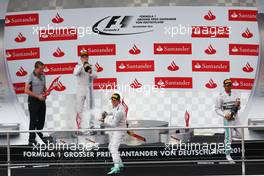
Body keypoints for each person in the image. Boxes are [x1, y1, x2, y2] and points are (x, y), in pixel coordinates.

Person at [215, 79, 241, 163]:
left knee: (241, 135)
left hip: (236, 118)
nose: (229, 86)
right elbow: (217, 109)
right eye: (227, 85)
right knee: (228, 138)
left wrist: (238, 105)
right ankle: (228, 155)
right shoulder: (220, 96)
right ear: (224, 86)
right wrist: (225, 115)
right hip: (227, 119)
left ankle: (228, 138)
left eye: (230, 84)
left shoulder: (236, 94)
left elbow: (239, 107)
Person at [100, 93, 127, 175]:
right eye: (112, 100)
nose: (112, 101)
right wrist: (106, 113)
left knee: (113, 148)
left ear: (118, 101)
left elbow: (113, 125)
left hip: (120, 131)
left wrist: (103, 123)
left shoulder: (120, 111)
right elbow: (113, 112)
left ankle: (116, 166)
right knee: (110, 147)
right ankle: (120, 164)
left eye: (114, 100)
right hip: (117, 130)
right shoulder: (117, 107)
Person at [73, 49, 97, 133]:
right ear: (80, 58)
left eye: (86, 56)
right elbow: (75, 73)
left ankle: (91, 126)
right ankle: (79, 126)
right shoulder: (77, 66)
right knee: (79, 108)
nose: (84, 58)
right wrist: (83, 65)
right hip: (80, 89)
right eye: (83, 56)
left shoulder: (92, 66)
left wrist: (90, 71)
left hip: (89, 88)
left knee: (91, 107)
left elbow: (95, 76)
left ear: (88, 57)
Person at [25, 61, 48, 145]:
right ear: (36, 68)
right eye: (41, 69)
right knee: (33, 120)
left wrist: (46, 92)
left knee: (42, 119)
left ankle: (38, 133)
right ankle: (31, 139)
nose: (43, 70)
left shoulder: (43, 75)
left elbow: (44, 86)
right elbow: (26, 90)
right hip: (33, 100)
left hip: (42, 100)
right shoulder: (30, 77)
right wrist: (38, 96)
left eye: (43, 68)